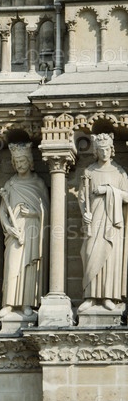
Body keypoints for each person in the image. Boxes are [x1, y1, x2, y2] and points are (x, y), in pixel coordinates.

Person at [78, 133, 128, 313]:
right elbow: (82, 197)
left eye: (107, 149)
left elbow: (127, 196)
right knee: (90, 253)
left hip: (112, 223)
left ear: (111, 150)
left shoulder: (119, 172)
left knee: (110, 257)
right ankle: (90, 296)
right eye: (101, 150)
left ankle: (108, 296)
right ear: (96, 152)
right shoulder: (89, 172)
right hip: (94, 220)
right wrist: (85, 213)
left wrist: (108, 190)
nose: (104, 153)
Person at [0, 143, 49, 318]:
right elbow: (3, 211)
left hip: (33, 230)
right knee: (12, 266)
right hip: (15, 233)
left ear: (30, 162)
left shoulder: (38, 183)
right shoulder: (10, 184)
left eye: (23, 161)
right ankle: (9, 303)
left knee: (30, 266)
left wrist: (34, 213)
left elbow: (47, 210)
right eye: (17, 161)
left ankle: (28, 303)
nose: (20, 165)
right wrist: (8, 227)